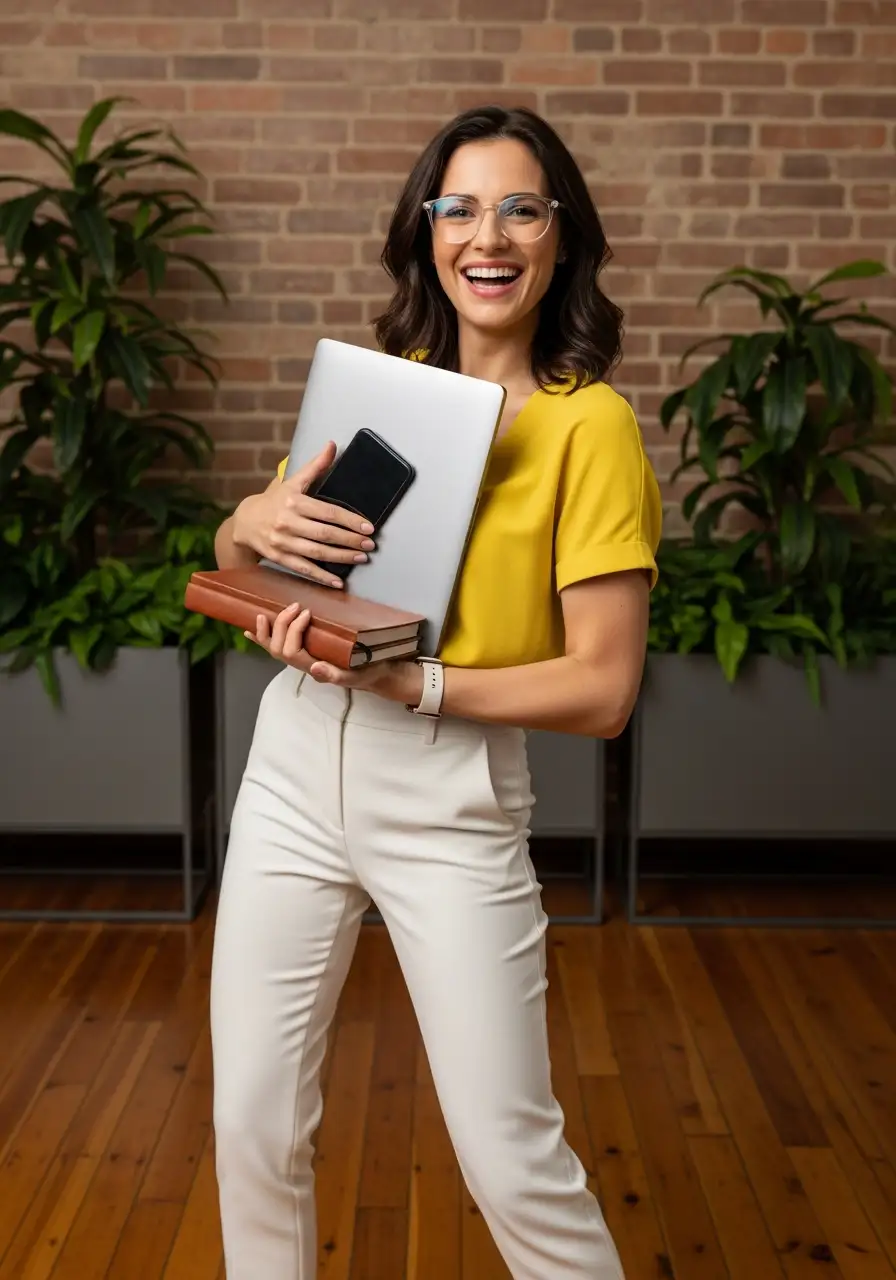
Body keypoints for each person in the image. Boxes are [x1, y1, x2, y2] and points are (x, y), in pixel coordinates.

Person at [210, 104, 661, 1280]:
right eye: (456, 207)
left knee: (510, 1154)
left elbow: (604, 687)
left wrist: (416, 681)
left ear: (560, 235)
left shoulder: (589, 426)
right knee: (252, 1122)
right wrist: (245, 520)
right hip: (295, 767)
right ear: (425, 234)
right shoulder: (384, 388)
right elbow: (257, 555)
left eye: (519, 206)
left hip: (446, 792)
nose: (486, 233)